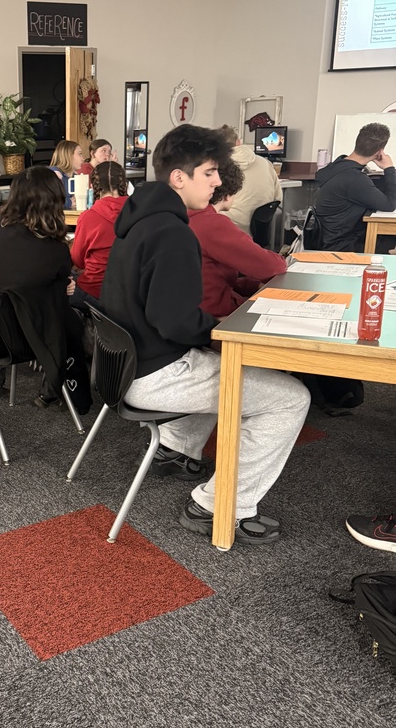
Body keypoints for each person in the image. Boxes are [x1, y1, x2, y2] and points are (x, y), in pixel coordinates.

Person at [100, 124, 310, 545]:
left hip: (126, 365)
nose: (217, 183)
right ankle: (218, 505)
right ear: (179, 177)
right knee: (291, 399)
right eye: (209, 173)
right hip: (157, 374)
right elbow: (174, 321)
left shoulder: (139, 220)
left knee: (220, 364)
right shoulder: (173, 232)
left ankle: (178, 449)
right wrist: (221, 330)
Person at [0, 165, 90, 414]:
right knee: (71, 317)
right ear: (54, 200)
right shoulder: (55, 250)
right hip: (17, 341)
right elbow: (57, 291)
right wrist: (64, 286)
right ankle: (55, 390)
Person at [187, 157, 286, 319]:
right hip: (216, 315)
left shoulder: (185, 217)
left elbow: (210, 277)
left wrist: (252, 285)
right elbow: (272, 266)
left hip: (194, 311)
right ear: (228, 194)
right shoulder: (213, 225)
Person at [314, 123, 396, 252]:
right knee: (391, 240)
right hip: (342, 245)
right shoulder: (355, 179)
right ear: (379, 152)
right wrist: (389, 168)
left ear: (357, 142)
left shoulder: (335, 167)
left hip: (329, 239)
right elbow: (390, 205)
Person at [70, 160, 127, 302]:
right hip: (129, 293)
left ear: (92, 186)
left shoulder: (88, 217)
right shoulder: (139, 213)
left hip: (95, 291)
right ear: (125, 185)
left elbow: (78, 261)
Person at [217, 124, 282, 236]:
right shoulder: (265, 163)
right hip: (260, 226)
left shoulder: (218, 165)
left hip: (231, 225)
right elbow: (278, 197)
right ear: (239, 142)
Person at [49, 140, 85, 209]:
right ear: (69, 155)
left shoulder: (75, 176)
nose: (83, 159)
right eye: (80, 154)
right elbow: (48, 200)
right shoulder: (54, 174)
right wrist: (69, 202)